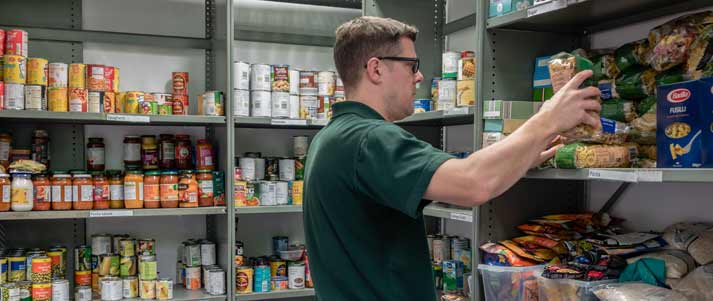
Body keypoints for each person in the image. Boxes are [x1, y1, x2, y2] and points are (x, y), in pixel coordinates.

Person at [303, 16, 601, 300]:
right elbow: (473, 184)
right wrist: (547, 118)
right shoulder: (369, 139)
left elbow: (459, 175)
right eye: (411, 65)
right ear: (376, 69)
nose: (419, 76)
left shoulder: (332, 137)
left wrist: (521, 153)